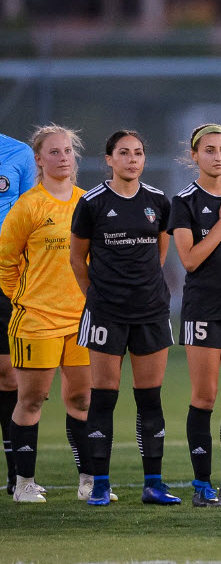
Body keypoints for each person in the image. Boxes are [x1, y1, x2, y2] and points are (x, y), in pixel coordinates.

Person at [70, 129, 180, 506]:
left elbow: (160, 253)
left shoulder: (157, 201)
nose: (132, 159)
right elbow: (76, 258)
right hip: (106, 314)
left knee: (150, 399)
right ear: (109, 159)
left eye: (138, 153)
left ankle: (153, 484)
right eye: (124, 153)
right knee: (103, 399)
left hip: (150, 312)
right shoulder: (92, 203)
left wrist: (143, 288)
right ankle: (100, 483)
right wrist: (97, 297)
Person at [0, 125, 92, 503]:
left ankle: (90, 482)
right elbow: (6, 263)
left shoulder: (89, 202)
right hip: (37, 319)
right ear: (38, 159)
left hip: (81, 319)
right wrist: (25, 298)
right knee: (32, 399)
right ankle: (23, 483)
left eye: (68, 150)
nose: (63, 157)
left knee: (84, 399)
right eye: (54, 152)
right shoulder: (27, 206)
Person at [169, 124, 221, 507]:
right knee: (205, 396)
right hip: (203, 308)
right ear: (194, 155)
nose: (217, 156)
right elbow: (189, 260)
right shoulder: (184, 202)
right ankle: (203, 486)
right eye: (209, 150)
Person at [0, 131, 36, 493]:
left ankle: (16, 475)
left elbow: (29, 215)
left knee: (9, 376)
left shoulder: (18, 152)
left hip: (5, 276)